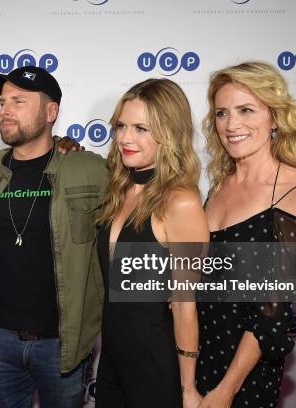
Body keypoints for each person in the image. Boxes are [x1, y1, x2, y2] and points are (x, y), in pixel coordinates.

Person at [0, 66, 108, 408]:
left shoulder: (90, 169)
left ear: (51, 111)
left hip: (63, 343)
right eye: (3, 102)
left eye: (19, 101)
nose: (6, 110)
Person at [197, 61, 296, 408]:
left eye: (246, 110)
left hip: (243, 376)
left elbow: (272, 312)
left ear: (275, 116)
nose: (231, 124)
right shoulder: (219, 185)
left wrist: (226, 390)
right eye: (222, 113)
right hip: (194, 358)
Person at [95, 78, 208, 408]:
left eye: (141, 128)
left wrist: (187, 388)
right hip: (112, 359)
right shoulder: (120, 190)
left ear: (169, 133)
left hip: (156, 364)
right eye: (121, 126)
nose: (126, 138)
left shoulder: (180, 202)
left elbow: (185, 305)